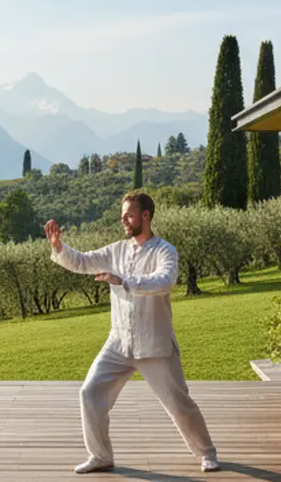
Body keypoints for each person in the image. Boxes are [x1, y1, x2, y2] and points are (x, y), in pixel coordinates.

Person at [44, 192, 219, 474]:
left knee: (179, 403)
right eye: (122, 215)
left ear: (146, 216)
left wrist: (123, 280)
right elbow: (84, 262)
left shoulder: (165, 251)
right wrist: (59, 247)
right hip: (119, 343)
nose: (123, 220)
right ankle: (100, 456)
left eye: (129, 214)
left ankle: (207, 452)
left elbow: (164, 282)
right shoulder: (116, 251)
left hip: (155, 345)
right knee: (90, 393)